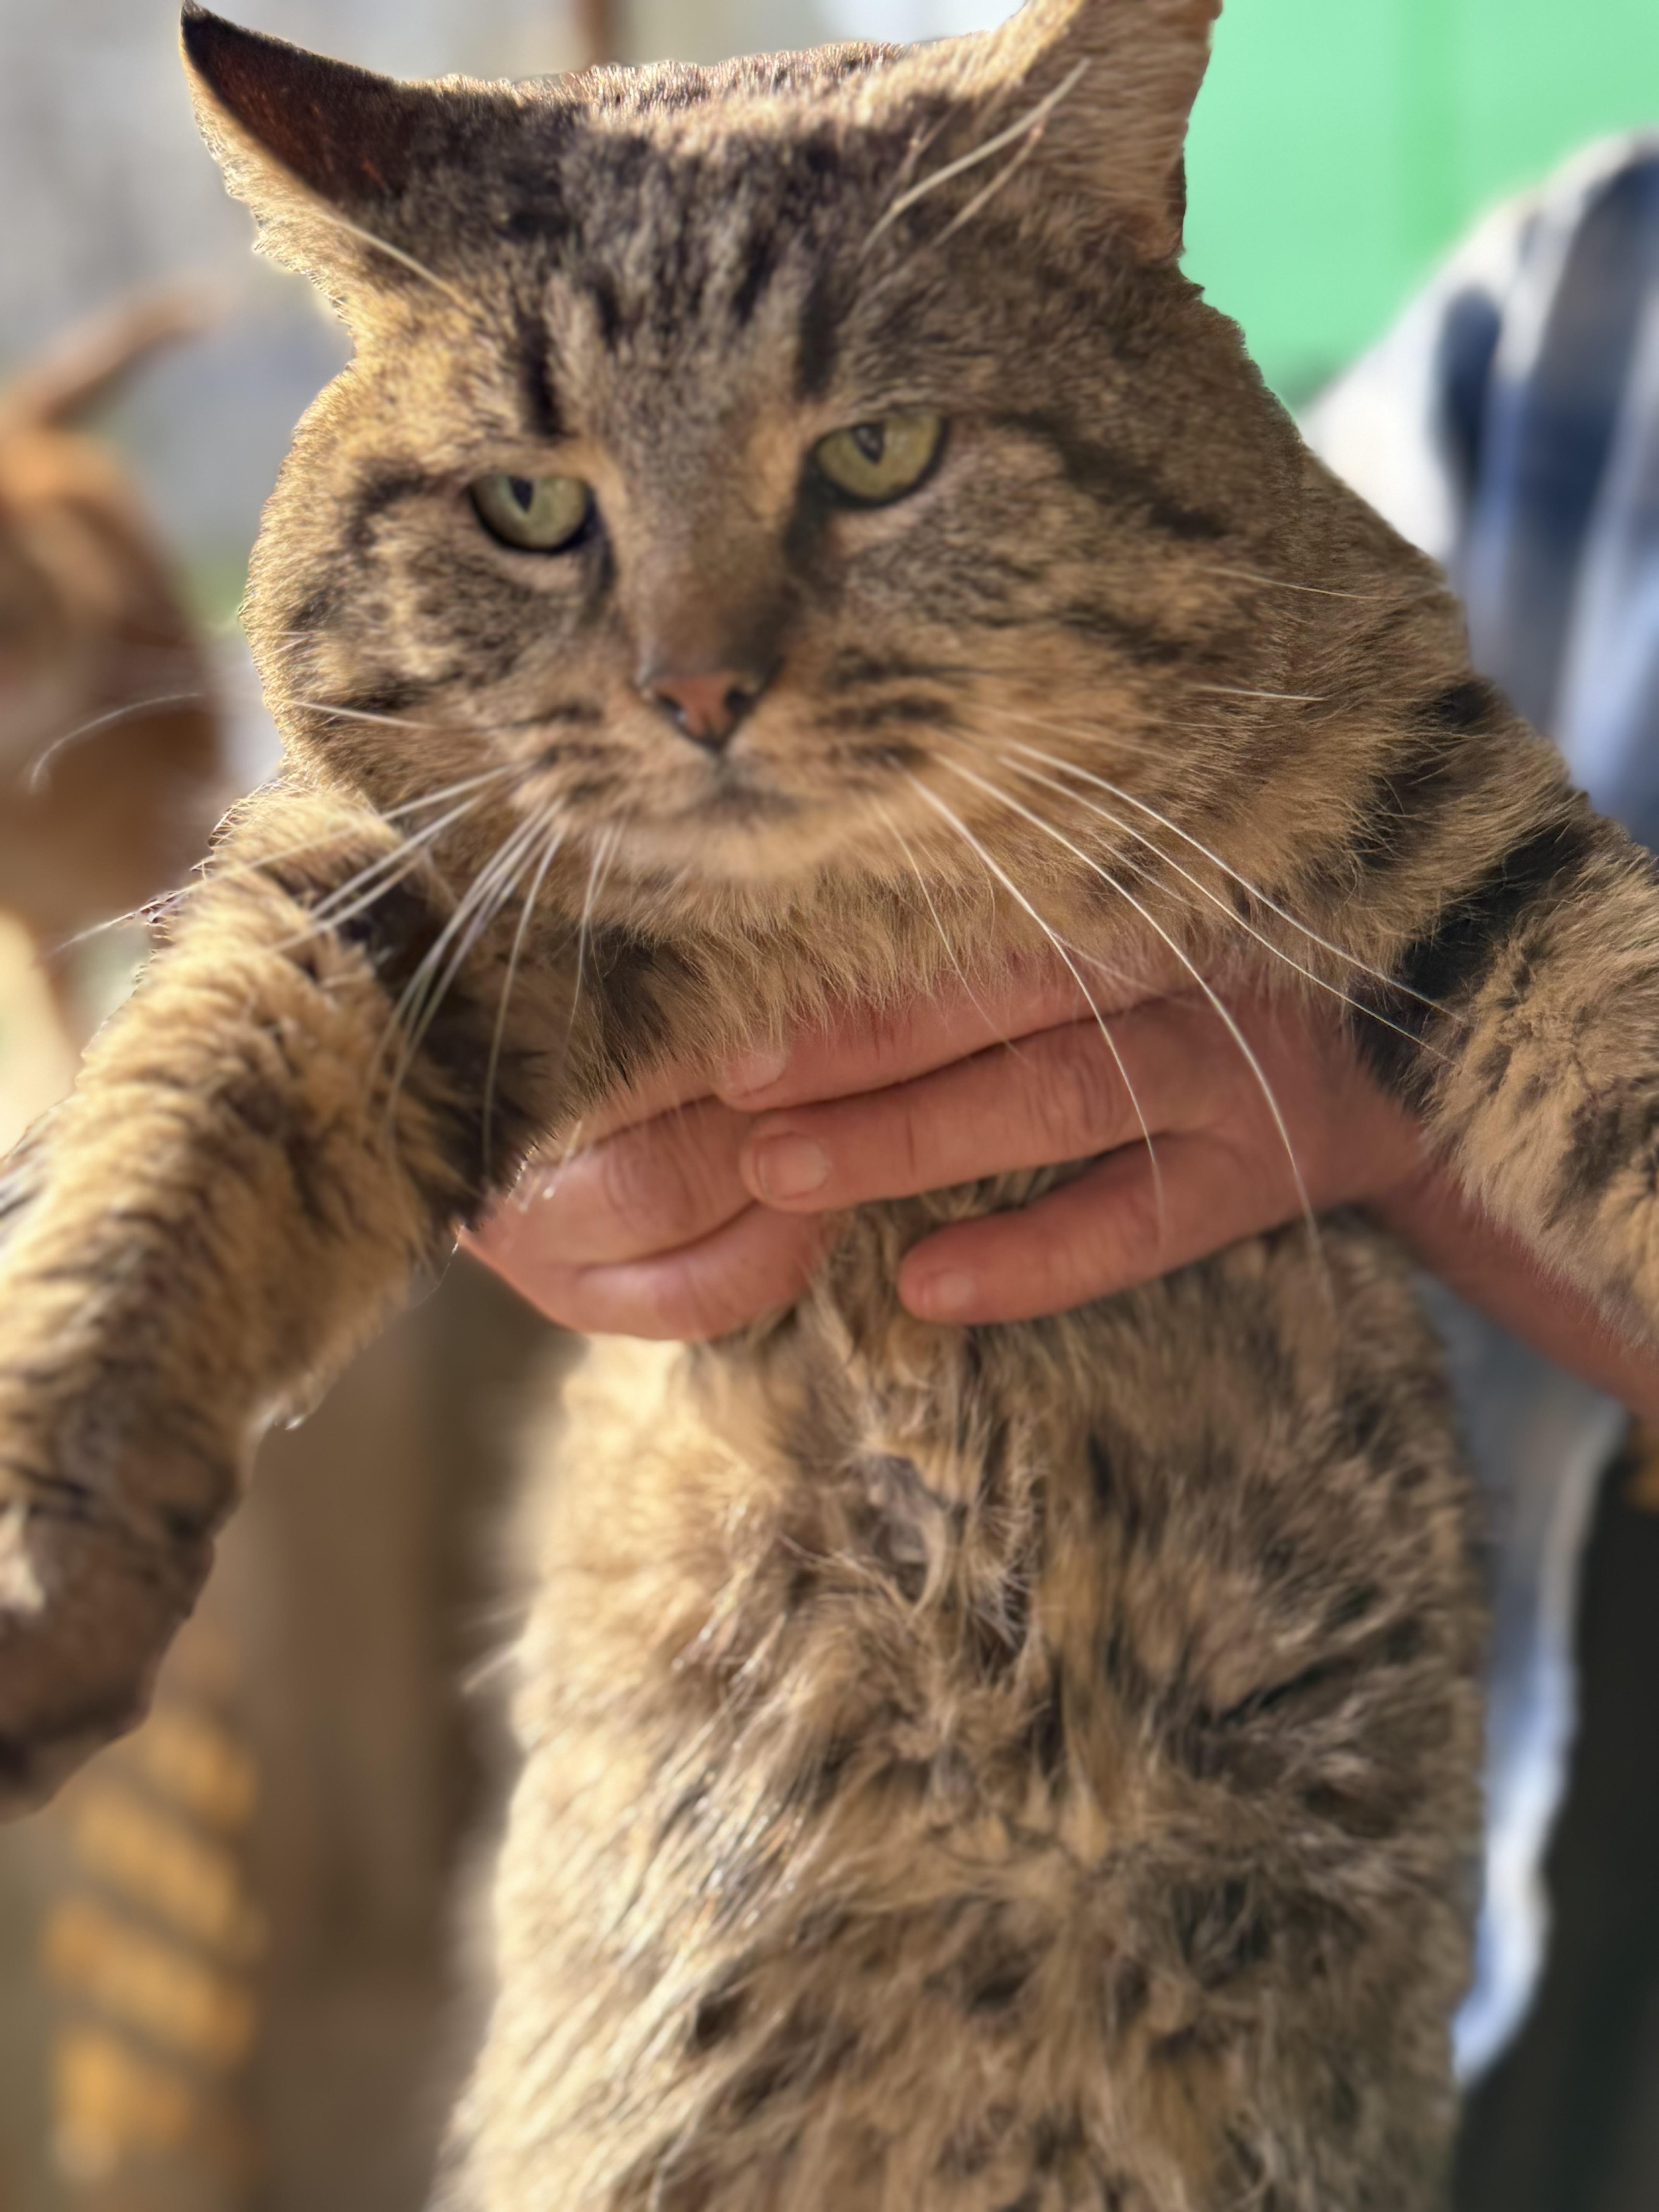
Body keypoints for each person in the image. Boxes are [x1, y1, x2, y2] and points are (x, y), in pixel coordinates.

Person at [467, 131, 1659, 2088]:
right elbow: (1147, 649)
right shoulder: (1574, 303)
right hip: (1453, 1851)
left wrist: (1398, 1091)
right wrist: (529, 1029)